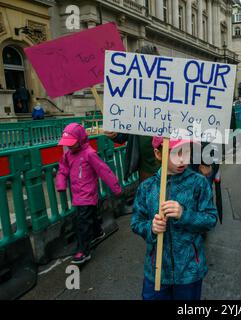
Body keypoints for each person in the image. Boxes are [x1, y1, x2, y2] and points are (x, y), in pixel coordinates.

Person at [131, 137, 218, 300]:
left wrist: (184, 215)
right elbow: (136, 222)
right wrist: (151, 227)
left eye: (187, 152)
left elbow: (210, 219)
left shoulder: (198, 183)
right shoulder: (147, 187)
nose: (183, 159)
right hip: (156, 271)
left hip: (189, 271)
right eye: (176, 153)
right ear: (158, 154)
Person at [56, 123, 122, 264]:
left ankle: (83, 251)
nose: (69, 146)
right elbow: (62, 169)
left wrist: (115, 187)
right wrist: (61, 184)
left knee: (82, 223)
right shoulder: (68, 155)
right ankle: (98, 233)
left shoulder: (89, 154)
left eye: (71, 143)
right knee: (89, 217)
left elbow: (103, 170)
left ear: (80, 140)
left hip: (87, 194)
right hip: (78, 195)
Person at [104, 45, 161, 183]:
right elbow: (126, 133)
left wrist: (203, 162)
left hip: (171, 164)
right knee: (148, 201)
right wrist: (115, 134)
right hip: (146, 168)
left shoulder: (170, 92)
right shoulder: (133, 95)